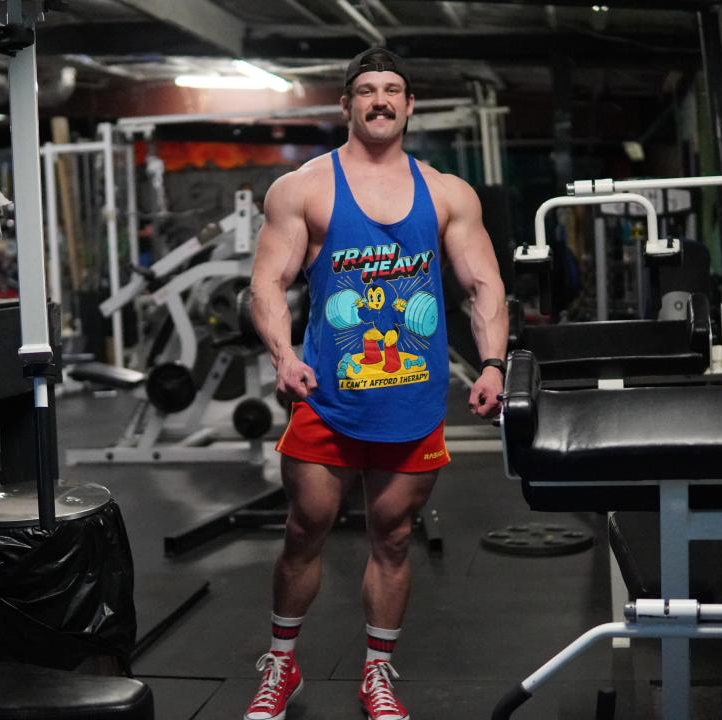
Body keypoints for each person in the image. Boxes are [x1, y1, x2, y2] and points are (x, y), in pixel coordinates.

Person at [246, 46, 508, 720]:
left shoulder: (449, 193)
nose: (381, 100)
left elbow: (483, 283)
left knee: (393, 537)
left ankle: (377, 674)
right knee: (305, 528)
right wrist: (282, 356)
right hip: (325, 397)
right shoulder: (302, 188)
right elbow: (266, 283)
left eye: (393, 89)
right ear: (347, 105)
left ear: (410, 105)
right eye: (367, 90)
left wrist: (494, 363)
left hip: (413, 401)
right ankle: (281, 665)